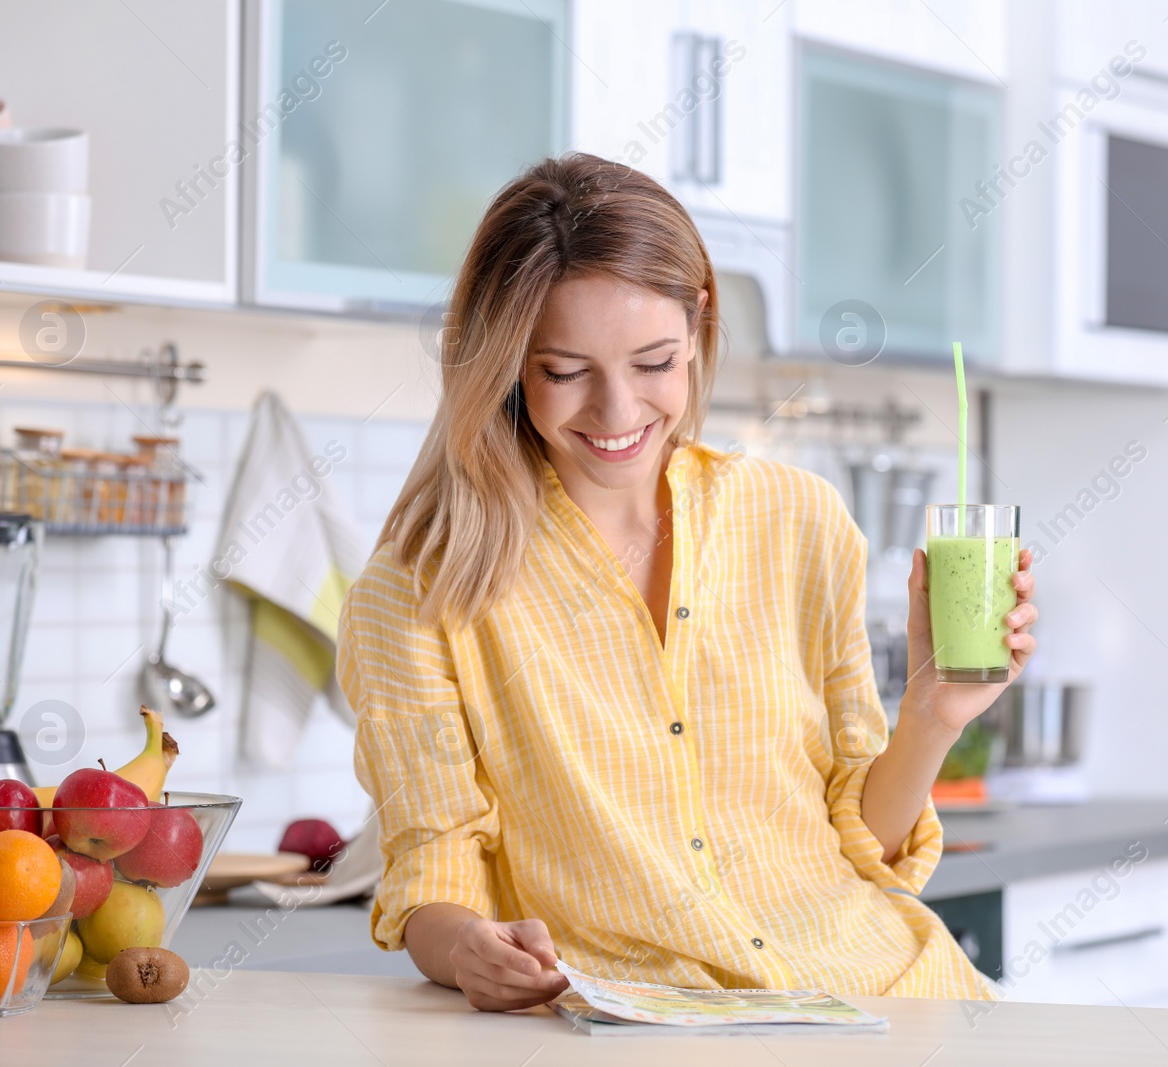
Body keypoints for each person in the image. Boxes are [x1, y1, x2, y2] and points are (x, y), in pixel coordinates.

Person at [338, 152, 1038, 1012]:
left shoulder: (799, 518)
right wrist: (467, 950)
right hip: (658, 1027)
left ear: (700, 325)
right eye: (565, 371)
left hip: (895, 997)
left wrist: (931, 715)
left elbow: (865, 844)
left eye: (654, 361)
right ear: (505, 361)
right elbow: (433, 868)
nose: (619, 411)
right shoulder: (418, 592)